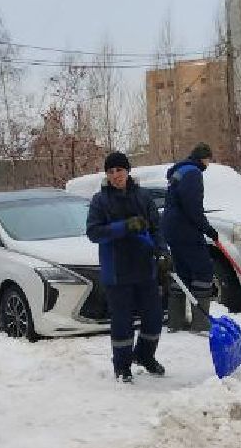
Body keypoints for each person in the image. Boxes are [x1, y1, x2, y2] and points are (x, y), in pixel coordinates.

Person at [85, 151, 167, 382]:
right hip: (117, 271)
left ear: (127, 171)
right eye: (110, 172)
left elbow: (156, 228)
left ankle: (144, 355)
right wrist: (124, 227)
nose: (115, 175)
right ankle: (122, 366)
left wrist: (162, 251)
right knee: (122, 322)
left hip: (144, 268)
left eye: (119, 170)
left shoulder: (143, 197)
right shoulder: (100, 201)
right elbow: (94, 233)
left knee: (154, 318)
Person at [161, 144, 220, 333]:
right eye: (208, 160)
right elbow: (193, 207)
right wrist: (208, 229)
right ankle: (201, 323)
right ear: (203, 158)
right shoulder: (193, 173)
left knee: (182, 272)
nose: (208, 164)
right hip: (186, 229)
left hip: (171, 229)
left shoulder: (179, 172)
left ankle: (176, 322)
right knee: (203, 271)